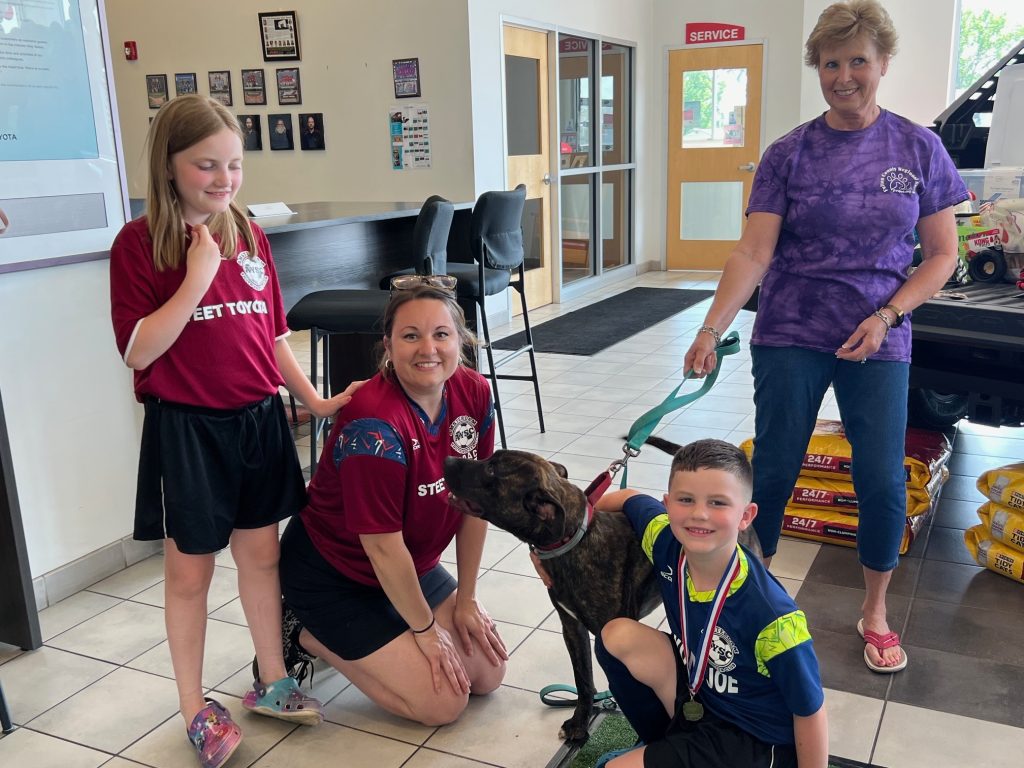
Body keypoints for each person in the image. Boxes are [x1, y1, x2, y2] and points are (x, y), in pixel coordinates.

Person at [683, 0, 966, 674]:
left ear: (883, 63)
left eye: (857, 61)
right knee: (774, 469)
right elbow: (753, 252)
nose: (844, 76)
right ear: (818, 67)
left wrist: (888, 315)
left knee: (880, 478)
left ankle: (875, 612)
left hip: (880, 336)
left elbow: (941, 256)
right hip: (790, 333)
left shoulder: (918, 147)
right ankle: (759, 603)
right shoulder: (789, 153)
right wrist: (710, 325)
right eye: (831, 63)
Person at [109, 94, 358, 768]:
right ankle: (194, 707)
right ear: (169, 166)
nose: (223, 181)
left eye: (234, 166)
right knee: (189, 576)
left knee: (262, 557)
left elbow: (272, 332)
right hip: (188, 431)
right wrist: (196, 275)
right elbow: (138, 349)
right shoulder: (140, 245)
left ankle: (272, 680)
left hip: (259, 422)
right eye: (206, 167)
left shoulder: (248, 233)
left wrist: (312, 398)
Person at [274, 280, 508, 727]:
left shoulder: (474, 393)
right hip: (335, 574)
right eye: (410, 335)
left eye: (441, 334)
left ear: (461, 339)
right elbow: (381, 547)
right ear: (387, 345)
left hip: (410, 564)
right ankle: (302, 634)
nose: (428, 349)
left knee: (487, 675)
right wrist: (423, 631)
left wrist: (467, 600)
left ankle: (392, 622)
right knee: (442, 705)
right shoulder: (373, 423)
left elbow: (475, 505)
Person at [596, 440, 828, 768]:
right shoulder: (664, 540)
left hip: (754, 738)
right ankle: (662, 742)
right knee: (616, 636)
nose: (699, 514)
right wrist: (563, 537)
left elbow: (811, 710)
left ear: (746, 515)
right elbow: (630, 499)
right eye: (685, 500)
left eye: (718, 502)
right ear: (668, 504)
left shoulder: (774, 618)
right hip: (702, 699)